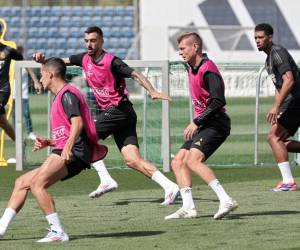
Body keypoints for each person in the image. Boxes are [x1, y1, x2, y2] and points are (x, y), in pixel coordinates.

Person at [33, 26, 179, 205]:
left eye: (93, 41)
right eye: (86, 41)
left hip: (119, 110)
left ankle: (105, 179)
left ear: (101, 41)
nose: (89, 44)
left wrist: (153, 91)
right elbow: (58, 65)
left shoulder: (112, 61)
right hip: (122, 115)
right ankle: (170, 186)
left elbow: (135, 74)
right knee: (132, 160)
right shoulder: (83, 59)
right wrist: (44, 60)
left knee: (83, 134)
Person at [0, 58, 107, 242]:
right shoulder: (61, 95)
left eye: (42, 75)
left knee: (37, 185)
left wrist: (67, 146)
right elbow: (67, 130)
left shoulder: (68, 94)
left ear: (51, 75)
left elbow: (78, 123)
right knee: (21, 182)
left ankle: (57, 232)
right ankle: (1, 228)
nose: (40, 79)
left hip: (75, 152)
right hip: (68, 150)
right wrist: (50, 142)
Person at [165, 32, 238, 220]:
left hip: (216, 123)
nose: (180, 52)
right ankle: (188, 207)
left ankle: (225, 199)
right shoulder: (191, 67)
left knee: (192, 161)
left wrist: (196, 121)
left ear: (195, 47)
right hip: (204, 124)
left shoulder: (208, 68)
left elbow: (218, 101)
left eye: (183, 48)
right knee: (178, 161)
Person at [255, 23, 300, 191]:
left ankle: (288, 182)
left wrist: (276, 106)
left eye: (261, 37)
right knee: (280, 142)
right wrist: (279, 108)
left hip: (296, 101)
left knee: (274, 137)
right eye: (256, 38)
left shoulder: (277, 53)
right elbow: (279, 86)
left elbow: (289, 80)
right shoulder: (268, 59)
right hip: (291, 103)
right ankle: (288, 181)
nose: (257, 41)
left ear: (270, 37)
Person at [11, 45, 41, 140]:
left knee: (26, 113)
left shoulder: (24, 63)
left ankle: (30, 132)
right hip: (12, 94)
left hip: (23, 93)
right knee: (14, 115)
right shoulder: (10, 64)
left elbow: (31, 72)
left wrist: (36, 81)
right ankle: (16, 132)